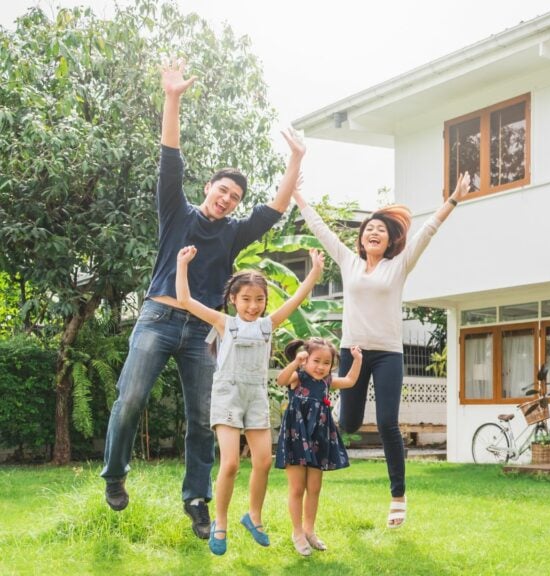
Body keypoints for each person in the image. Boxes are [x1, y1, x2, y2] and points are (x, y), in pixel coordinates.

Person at [100, 58, 305, 542]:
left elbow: (276, 207)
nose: (228, 199)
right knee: (130, 399)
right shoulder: (176, 211)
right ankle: (114, 473)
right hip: (157, 317)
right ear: (208, 188)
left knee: (201, 418)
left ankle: (196, 499)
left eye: (235, 196)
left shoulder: (234, 234)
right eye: (223, 190)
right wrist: (172, 98)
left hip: (203, 333)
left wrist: (296, 160)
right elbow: (169, 155)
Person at [294, 171, 471, 528]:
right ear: (361, 239)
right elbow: (322, 231)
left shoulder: (399, 265)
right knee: (350, 421)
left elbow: (427, 233)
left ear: (390, 241)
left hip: (388, 352)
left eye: (381, 230)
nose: (373, 233)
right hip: (352, 352)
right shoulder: (348, 262)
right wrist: (298, 196)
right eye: (368, 229)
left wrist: (452, 200)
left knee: (389, 422)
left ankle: (398, 496)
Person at [176, 245, 325, 555]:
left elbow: (297, 299)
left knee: (264, 461)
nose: (253, 306)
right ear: (233, 299)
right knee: (229, 463)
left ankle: (253, 516)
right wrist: (182, 265)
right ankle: (220, 521)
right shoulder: (224, 322)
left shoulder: (267, 325)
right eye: (246, 299)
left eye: (259, 300)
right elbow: (185, 301)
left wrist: (315, 271)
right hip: (228, 394)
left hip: (255, 394)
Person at [275, 338, 363, 555]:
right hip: (296, 435)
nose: (321, 367)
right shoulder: (299, 377)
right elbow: (280, 379)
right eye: (316, 361)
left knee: (314, 488)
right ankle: (296, 532)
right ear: (306, 359)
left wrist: (358, 359)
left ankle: (309, 531)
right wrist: (296, 363)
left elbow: (351, 380)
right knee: (297, 488)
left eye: (326, 362)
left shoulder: (327, 381)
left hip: (318, 437)